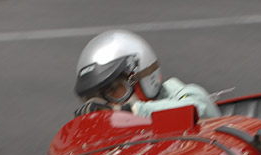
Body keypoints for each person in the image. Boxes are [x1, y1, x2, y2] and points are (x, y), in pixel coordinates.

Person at [73, 30, 221, 120]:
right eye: (97, 99)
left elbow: (196, 108)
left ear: (142, 80)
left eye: (115, 89)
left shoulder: (189, 96)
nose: (109, 104)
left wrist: (127, 112)